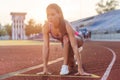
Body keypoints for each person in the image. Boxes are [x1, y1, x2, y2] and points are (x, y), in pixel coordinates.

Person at [40, 3, 92, 76]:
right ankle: (72, 58)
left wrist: (80, 69)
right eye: (48, 15)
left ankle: (64, 67)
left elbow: (74, 46)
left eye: (52, 14)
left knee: (66, 38)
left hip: (78, 38)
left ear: (59, 14)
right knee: (72, 65)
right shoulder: (46, 27)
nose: (50, 17)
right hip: (65, 43)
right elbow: (46, 47)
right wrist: (45, 68)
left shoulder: (66, 24)